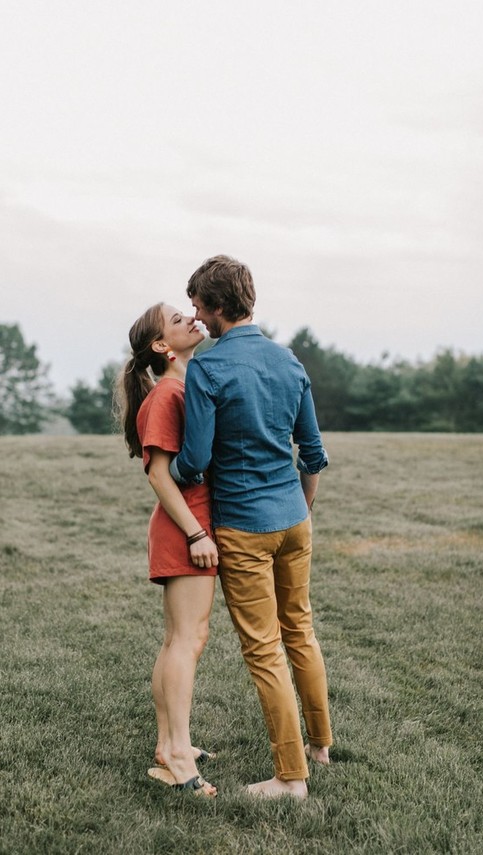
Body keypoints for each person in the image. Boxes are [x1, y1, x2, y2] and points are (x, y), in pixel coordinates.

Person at [169, 255, 333, 799]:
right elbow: (312, 453)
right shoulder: (289, 362)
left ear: (216, 306)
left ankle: (290, 778)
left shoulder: (208, 370)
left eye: (197, 306)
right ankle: (320, 745)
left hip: (243, 527)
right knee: (301, 633)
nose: (196, 316)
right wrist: (302, 508)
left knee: (264, 650)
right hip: (293, 520)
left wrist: (170, 469)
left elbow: (192, 460)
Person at [115, 302, 219, 797]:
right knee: (187, 640)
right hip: (185, 530)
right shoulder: (165, 396)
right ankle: (177, 754)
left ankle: (169, 745)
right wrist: (198, 533)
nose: (191, 321)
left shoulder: (180, 387)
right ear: (162, 346)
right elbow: (158, 474)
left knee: (180, 638)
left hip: (187, 527)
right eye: (180, 320)